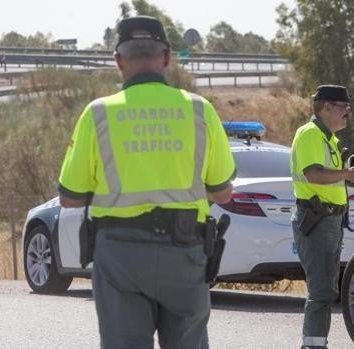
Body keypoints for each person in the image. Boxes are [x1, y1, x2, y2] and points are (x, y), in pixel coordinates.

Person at [57, 16, 235, 349]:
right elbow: (223, 192)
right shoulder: (200, 111)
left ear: (118, 60)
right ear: (167, 57)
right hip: (184, 254)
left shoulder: (98, 114)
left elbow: (70, 197)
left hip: (119, 256)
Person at [290, 85, 354, 349]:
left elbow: (330, 180)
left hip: (329, 221)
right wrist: (348, 175)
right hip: (318, 221)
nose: (348, 112)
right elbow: (314, 174)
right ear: (325, 107)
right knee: (322, 291)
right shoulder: (310, 134)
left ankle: (316, 343)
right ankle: (313, 345)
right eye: (342, 106)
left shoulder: (329, 139)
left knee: (326, 290)